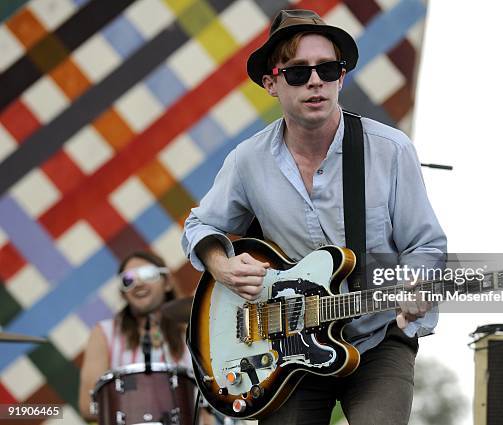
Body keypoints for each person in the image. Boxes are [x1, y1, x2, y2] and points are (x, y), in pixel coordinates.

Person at [181, 9, 446, 425]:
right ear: (271, 83)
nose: (315, 81)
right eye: (298, 73)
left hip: (377, 336)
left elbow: (425, 245)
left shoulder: (391, 150)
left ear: (341, 78)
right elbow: (200, 225)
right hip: (284, 348)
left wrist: (415, 285)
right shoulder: (248, 160)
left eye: (327, 69)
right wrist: (223, 266)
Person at [77, 251, 197, 421]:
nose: (138, 283)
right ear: (123, 293)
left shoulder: (194, 327)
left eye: (148, 274)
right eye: (128, 280)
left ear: (168, 282)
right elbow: (88, 406)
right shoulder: (104, 333)